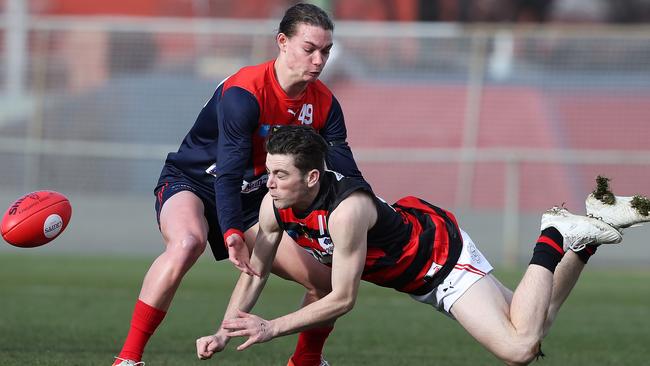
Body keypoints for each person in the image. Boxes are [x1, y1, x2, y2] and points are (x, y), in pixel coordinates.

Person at [195, 125, 644, 365]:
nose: (267, 183)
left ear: (312, 177)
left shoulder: (346, 210)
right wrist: (224, 329)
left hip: (441, 261)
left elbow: (343, 298)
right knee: (537, 316)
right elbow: (253, 270)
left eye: (279, 175)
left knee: (519, 349)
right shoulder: (277, 205)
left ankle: (553, 232)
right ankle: (581, 241)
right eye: (269, 172)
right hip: (419, 275)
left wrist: (270, 327)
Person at [113, 4, 366, 366]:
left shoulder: (324, 103)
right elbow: (228, 171)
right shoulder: (244, 91)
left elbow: (345, 171)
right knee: (187, 244)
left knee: (326, 282)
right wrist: (231, 230)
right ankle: (128, 358)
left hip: (254, 199)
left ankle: (306, 361)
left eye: (325, 51)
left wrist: (368, 210)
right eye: (309, 48)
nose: (319, 60)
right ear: (282, 42)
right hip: (194, 183)